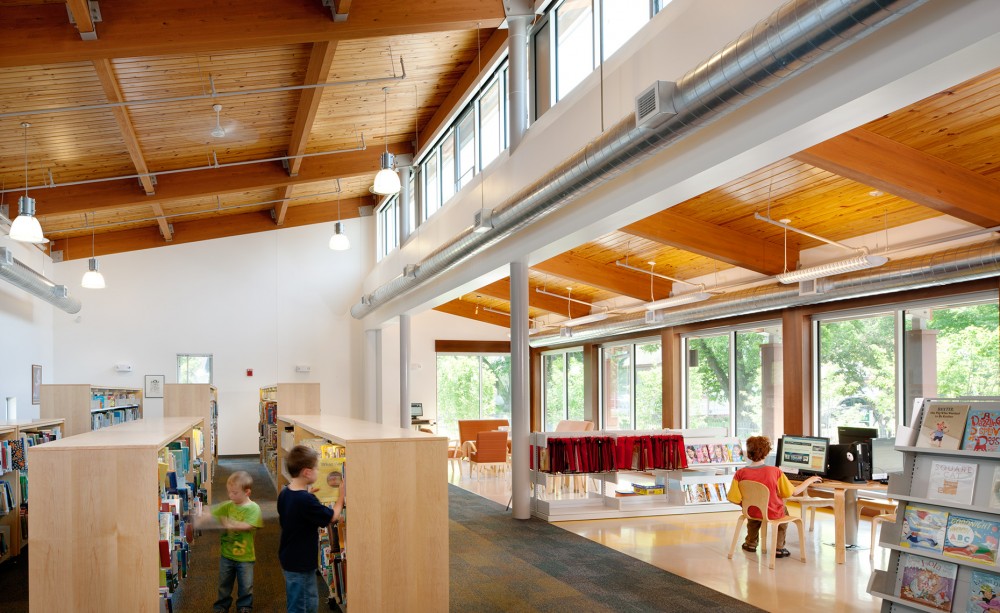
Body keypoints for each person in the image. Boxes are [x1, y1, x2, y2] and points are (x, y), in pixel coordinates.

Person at [727, 435, 820, 558]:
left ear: (748, 453)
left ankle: (750, 543)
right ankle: (779, 548)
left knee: (754, 514)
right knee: (783, 512)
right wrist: (809, 480)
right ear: (766, 453)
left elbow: (733, 497)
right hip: (772, 512)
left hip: (751, 511)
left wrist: (746, 504)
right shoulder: (775, 472)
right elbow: (793, 492)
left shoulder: (740, 473)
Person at [278, 445, 337, 613]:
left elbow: (294, 514)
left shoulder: (285, 493)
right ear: (307, 472)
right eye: (316, 468)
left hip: (291, 557)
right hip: (301, 562)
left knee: (308, 600)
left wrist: (309, 495)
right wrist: (341, 496)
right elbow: (332, 517)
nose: (318, 471)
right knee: (300, 605)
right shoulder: (305, 500)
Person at [210, 470, 263, 613]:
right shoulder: (228, 505)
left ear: (247, 492)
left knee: (246, 585)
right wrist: (202, 516)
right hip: (226, 555)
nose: (230, 496)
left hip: (245, 557)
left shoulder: (253, 508)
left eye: (234, 493)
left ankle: (244, 606)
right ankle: (221, 606)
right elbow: (213, 512)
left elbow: (249, 525)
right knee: (223, 584)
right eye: (229, 492)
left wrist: (229, 524)